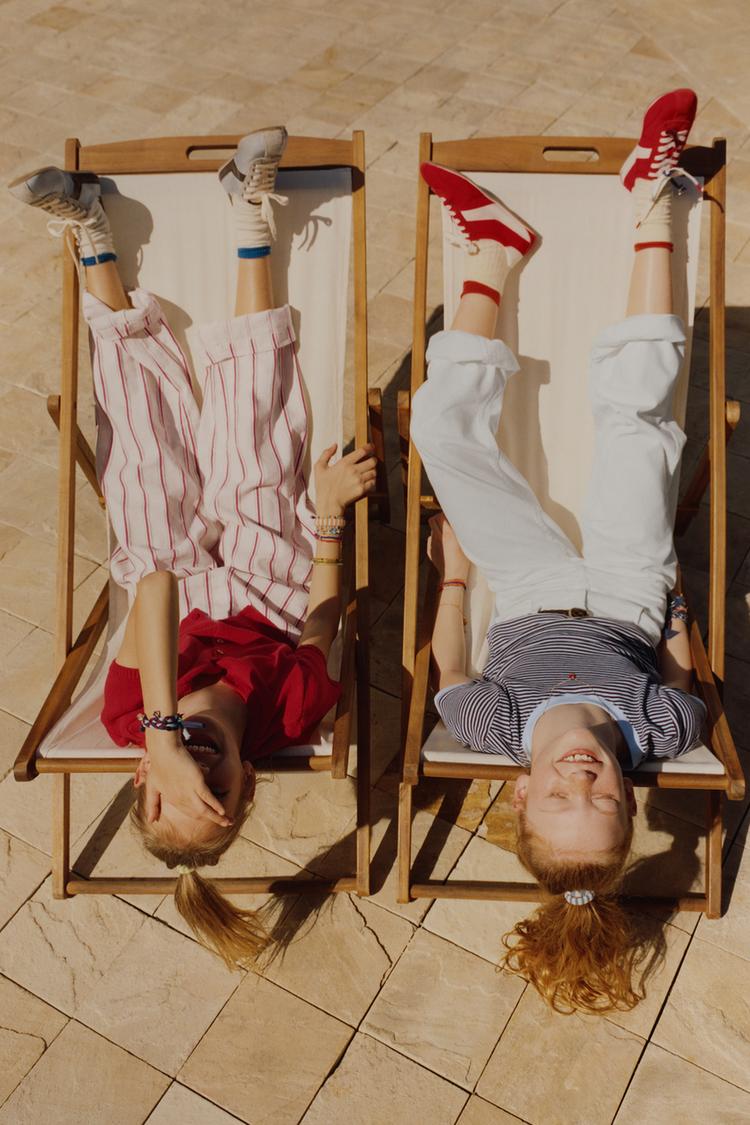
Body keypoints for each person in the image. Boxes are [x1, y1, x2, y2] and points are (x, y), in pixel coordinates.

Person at [9, 127, 376, 967]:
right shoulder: (288, 715)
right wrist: (326, 516)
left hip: (170, 587)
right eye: (219, 790)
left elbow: (156, 588)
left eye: (177, 787)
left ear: (143, 773)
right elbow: (323, 620)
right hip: (269, 584)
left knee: (142, 466)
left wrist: (161, 726)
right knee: (254, 445)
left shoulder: (127, 718)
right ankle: (250, 213)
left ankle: (92, 235)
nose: (203, 771)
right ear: (248, 782)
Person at [409, 89, 705, 1013]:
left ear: (519, 793)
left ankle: (492, 254)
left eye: (557, 800)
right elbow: (681, 673)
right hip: (626, 588)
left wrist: (456, 574)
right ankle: (653, 206)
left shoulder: (489, 728)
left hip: (528, 583)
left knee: (437, 433)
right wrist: (673, 594)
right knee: (639, 424)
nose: (582, 781)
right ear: (631, 798)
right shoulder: (663, 732)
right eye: (605, 803)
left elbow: (451, 663)